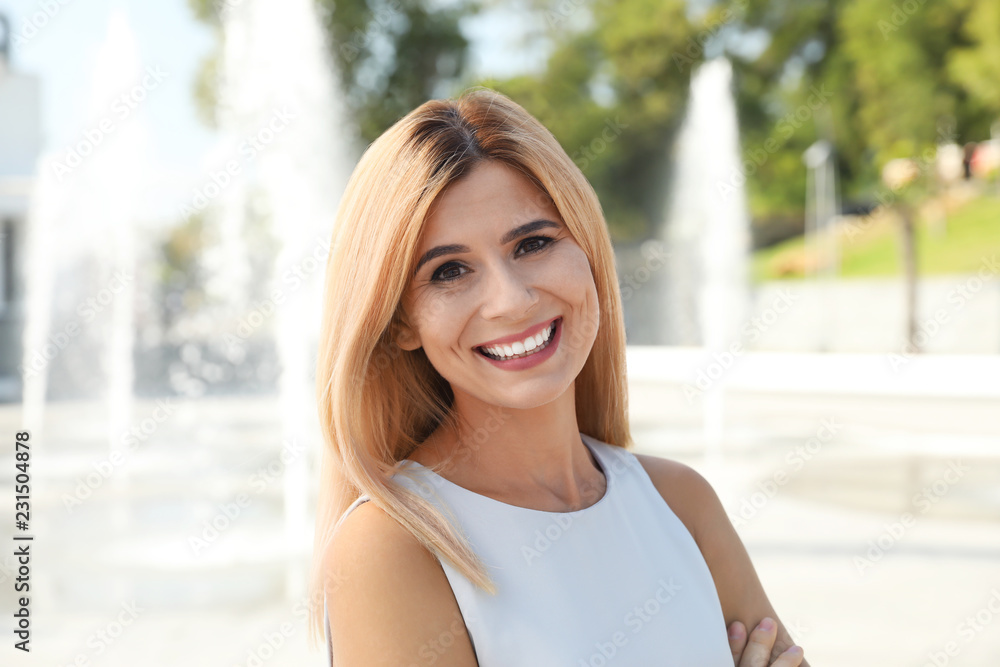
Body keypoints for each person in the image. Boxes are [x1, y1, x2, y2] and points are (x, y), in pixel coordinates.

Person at [310, 88, 808, 666]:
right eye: (449, 271)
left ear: (589, 251)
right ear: (399, 321)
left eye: (533, 243)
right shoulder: (391, 547)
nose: (510, 299)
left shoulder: (682, 503)